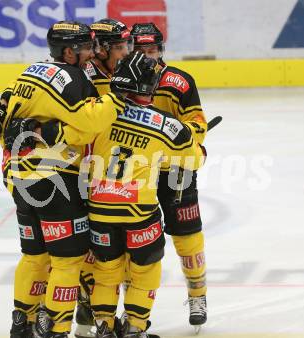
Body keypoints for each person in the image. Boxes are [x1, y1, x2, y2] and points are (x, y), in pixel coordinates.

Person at [0, 21, 143, 338]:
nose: (92, 53)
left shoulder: (31, 70)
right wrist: (117, 97)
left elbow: (6, 109)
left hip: (18, 176)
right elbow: (91, 123)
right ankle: (55, 329)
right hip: (54, 180)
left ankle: (21, 324)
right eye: (86, 48)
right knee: (68, 260)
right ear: (69, 51)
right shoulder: (75, 79)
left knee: (35, 255)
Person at [38, 51, 205, 338]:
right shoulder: (167, 125)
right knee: (146, 269)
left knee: (106, 269)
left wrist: (34, 128)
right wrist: (194, 150)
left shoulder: (100, 117)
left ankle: (104, 324)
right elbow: (191, 160)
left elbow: (66, 136)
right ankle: (134, 328)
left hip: (100, 211)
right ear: (150, 86)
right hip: (139, 213)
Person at [130, 23, 209, 330]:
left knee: (187, 238)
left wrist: (177, 138)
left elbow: (197, 125)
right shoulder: (121, 81)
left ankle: (198, 295)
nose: (147, 57)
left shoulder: (178, 81)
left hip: (177, 173)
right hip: (137, 175)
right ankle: (133, 308)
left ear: (160, 51)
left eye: (151, 51)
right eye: (140, 51)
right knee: (134, 244)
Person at [75, 17, 133, 338]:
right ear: (102, 48)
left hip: (118, 170)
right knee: (91, 249)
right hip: (86, 172)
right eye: (121, 46)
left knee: (120, 251)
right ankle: (89, 302)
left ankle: (100, 309)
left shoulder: (120, 71)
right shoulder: (83, 75)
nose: (126, 52)